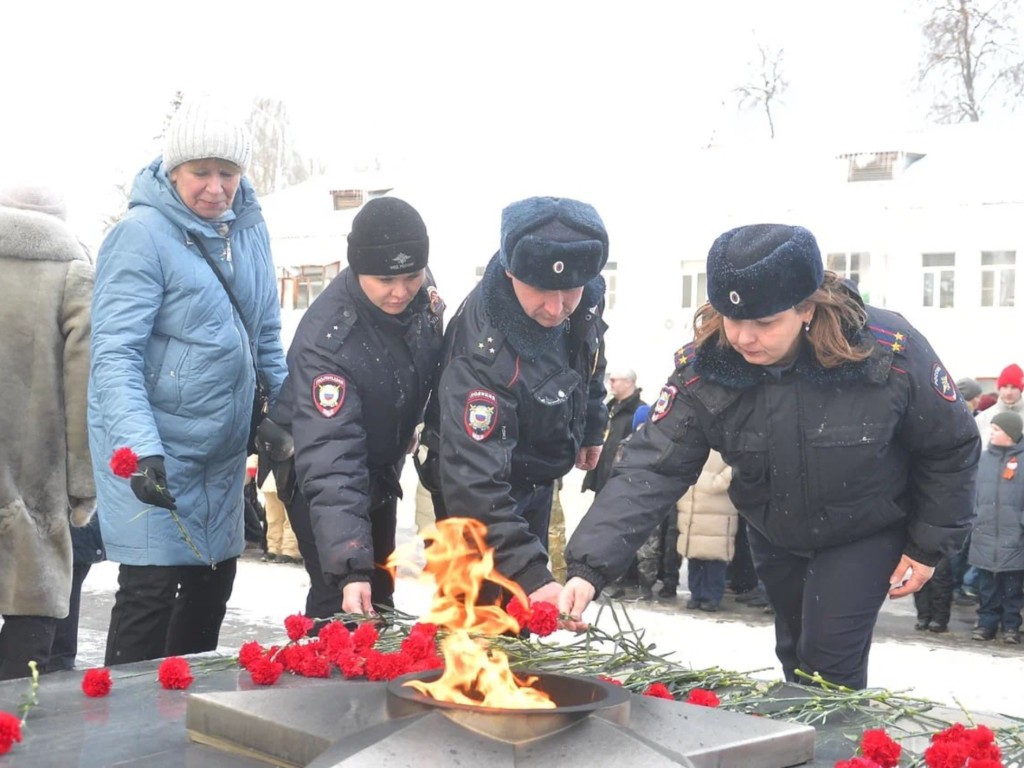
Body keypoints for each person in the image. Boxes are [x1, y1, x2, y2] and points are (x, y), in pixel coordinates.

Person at [560, 223, 981, 690]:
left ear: (806, 307)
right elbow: (652, 467)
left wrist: (927, 547)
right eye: (732, 318)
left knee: (829, 660)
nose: (743, 337)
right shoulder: (706, 368)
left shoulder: (884, 353)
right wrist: (589, 568)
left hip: (864, 526)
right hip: (775, 528)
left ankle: (835, 737)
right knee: (795, 654)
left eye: (764, 323)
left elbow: (949, 446)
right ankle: (803, 730)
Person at [88, 97, 288, 665]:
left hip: (220, 456)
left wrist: (283, 410)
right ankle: (124, 717)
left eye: (228, 172)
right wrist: (141, 449)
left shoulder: (249, 228)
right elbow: (115, 355)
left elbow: (265, 331)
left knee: (210, 588)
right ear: (174, 170)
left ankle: (185, 710)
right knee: (150, 596)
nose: (216, 188)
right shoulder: (140, 235)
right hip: (157, 450)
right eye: (201, 172)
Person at [259, 197, 444, 619]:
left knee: (379, 595)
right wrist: (349, 567)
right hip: (316, 467)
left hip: (379, 463)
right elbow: (332, 457)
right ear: (358, 268)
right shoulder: (328, 340)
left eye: (412, 276)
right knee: (343, 600)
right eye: (385, 280)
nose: (401, 292)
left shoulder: (420, 291)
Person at [420, 196, 609, 607]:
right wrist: (528, 573)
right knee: (481, 619)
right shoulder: (481, 353)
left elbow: (589, 354)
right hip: (475, 496)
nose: (557, 308)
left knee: (522, 618)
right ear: (510, 271)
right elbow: (473, 480)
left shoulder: (587, 296)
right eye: (541, 289)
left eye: (570, 290)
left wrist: (592, 425)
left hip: (535, 469)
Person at [0, 183, 95, 679]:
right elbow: (84, 388)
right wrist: (83, 486)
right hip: (35, 484)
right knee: (30, 616)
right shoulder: (71, 274)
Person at [583, 367, 646, 597]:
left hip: (622, 481)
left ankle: (625, 578)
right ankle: (605, 574)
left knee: (621, 529)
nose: (610, 383)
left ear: (629, 382)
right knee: (602, 528)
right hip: (603, 478)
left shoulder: (638, 411)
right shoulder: (609, 409)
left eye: (615, 380)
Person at [968, 411, 1024, 644]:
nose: (991, 434)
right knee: (987, 586)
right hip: (985, 533)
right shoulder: (983, 460)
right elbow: (971, 492)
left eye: (996, 430)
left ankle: (1011, 626)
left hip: (1015, 537)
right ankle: (986, 624)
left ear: (1011, 434)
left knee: (1012, 587)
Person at [676, 450, 739, 612]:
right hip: (691, 504)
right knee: (694, 556)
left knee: (714, 557)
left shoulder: (726, 442)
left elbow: (736, 466)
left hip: (717, 506)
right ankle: (696, 594)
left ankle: (712, 596)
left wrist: (717, 481)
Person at [975, 364, 1024, 449]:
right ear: (999, 388)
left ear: (1021, 389)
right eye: (1005, 386)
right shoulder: (981, 419)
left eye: (1014, 387)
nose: (1009, 392)